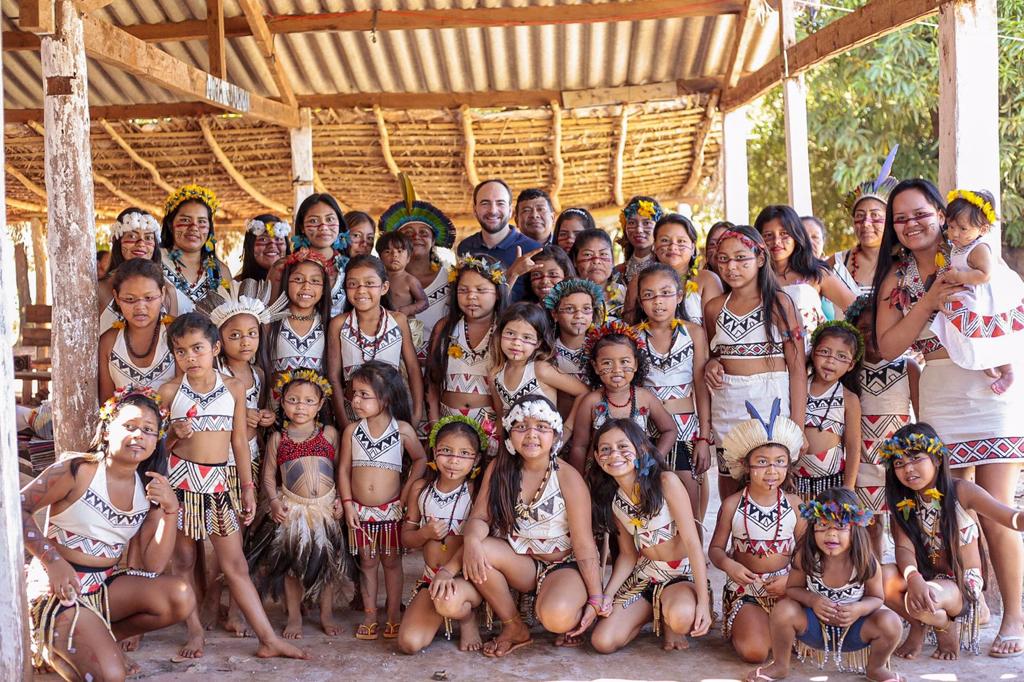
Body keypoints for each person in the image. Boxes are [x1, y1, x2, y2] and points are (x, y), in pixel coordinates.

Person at [871, 178, 1024, 657]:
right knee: (944, 514)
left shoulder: (973, 255)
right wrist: (929, 301)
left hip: (989, 390)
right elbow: (889, 346)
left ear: (941, 213)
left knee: (993, 506)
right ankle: (952, 614)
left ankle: (1012, 616)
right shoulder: (897, 280)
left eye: (921, 213)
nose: (911, 224)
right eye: (901, 218)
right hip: (939, 392)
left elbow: (1005, 306)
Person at [158, 313, 305, 660]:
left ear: (215, 348)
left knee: (234, 564)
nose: (190, 358)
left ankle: (267, 638)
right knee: (182, 561)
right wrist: (171, 435)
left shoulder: (234, 387)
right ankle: (194, 629)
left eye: (197, 349)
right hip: (180, 485)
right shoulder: (168, 392)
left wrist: (247, 488)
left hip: (220, 485)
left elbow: (239, 443)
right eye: (180, 352)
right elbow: (155, 449)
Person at [21, 387, 194, 680]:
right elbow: (16, 508)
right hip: (57, 589)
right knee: (111, 676)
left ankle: (100, 639)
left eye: (149, 430)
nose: (139, 435)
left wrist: (170, 510)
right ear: (106, 431)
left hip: (100, 589)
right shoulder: (77, 470)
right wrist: (52, 561)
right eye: (129, 426)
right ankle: (49, 640)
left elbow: (152, 566)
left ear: (156, 441)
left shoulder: (148, 488)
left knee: (180, 597)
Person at [455, 395, 603, 656]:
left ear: (555, 436)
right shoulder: (500, 470)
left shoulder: (567, 477)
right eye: (521, 427)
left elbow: (583, 542)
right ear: (510, 436)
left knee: (556, 618)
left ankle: (566, 600)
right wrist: (471, 540)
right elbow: (479, 518)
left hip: (562, 565)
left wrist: (595, 598)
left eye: (542, 427)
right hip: (522, 564)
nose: (531, 435)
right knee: (481, 548)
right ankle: (514, 625)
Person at [879, 423, 1024, 660]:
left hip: (960, 585)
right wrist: (912, 577)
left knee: (928, 599)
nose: (908, 468)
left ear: (937, 459)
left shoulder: (961, 491)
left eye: (916, 459)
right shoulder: (904, 504)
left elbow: (1010, 518)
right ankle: (920, 626)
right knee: (880, 576)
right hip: (924, 579)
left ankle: (944, 627)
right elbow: (904, 549)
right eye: (899, 463)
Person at [745, 488, 901, 681]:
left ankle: (876, 668)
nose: (831, 534)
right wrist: (813, 600)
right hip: (814, 628)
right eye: (823, 525)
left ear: (855, 529)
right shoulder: (807, 556)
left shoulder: (866, 561)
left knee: (891, 622)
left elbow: (877, 598)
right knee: (784, 609)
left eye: (840, 527)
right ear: (812, 527)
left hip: (855, 630)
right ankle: (780, 665)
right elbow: (792, 589)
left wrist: (859, 609)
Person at [588, 419, 712, 653]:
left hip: (680, 574)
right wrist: (607, 595)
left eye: (623, 447)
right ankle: (651, 611)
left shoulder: (666, 482)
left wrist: (703, 604)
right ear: (596, 457)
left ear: (641, 449)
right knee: (602, 642)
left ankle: (671, 613)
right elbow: (627, 555)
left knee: (681, 617)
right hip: (646, 576)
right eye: (605, 449)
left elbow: (693, 544)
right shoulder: (614, 499)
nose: (614, 454)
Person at [703, 226, 807, 502]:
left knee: (772, 481)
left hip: (769, 402)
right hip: (728, 405)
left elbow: (797, 368)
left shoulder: (780, 303)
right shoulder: (714, 308)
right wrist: (711, 365)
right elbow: (714, 355)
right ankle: (736, 542)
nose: (731, 267)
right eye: (723, 259)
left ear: (760, 259)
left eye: (740, 258)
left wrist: (798, 425)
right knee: (731, 484)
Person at [247, 370, 348, 639]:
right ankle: (294, 617)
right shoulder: (279, 438)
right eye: (293, 400)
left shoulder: (329, 434)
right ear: (282, 402)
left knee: (326, 564)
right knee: (291, 567)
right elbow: (268, 476)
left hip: (324, 508)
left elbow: (340, 470)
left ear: (321, 404)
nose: (300, 406)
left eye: (307, 401)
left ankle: (326, 614)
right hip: (293, 509)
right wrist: (274, 501)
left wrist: (340, 499)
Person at [710, 400, 806, 664]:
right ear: (746, 465)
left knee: (808, 642)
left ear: (788, 465)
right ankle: (749, 624)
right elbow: (715, 550)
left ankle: (774, 625)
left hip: (786, 588)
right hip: (747, 590)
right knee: (756, 652)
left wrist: (792, 580)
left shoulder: (794, 505)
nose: (772, 470)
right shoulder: (732, 505)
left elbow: (805, 552)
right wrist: (730, 566)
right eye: (762, 462)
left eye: (779, 462)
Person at [339, 362, 427, 641]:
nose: (355, 401)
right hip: (360, 512)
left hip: (391, 510)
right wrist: (348, 503)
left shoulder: (402, 431)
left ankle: (393, 616)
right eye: (354, 394)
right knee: (366, 563)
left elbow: (421, 460)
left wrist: (407, 492)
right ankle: (369, 615)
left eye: (364, 395)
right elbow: (343, 470)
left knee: (391, 563)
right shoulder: (352, 431)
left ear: (386, 397)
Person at [397, 416, 487, 654]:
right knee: (409, 643)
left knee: (448, 602)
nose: (454, 461)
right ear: (434, 451)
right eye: (446, 451)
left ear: (476, 459)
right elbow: (406, 537)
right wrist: (424, 533)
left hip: (465, 578)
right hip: (431, 578)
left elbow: (485, 541)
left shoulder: (475, 491)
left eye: (464, 454)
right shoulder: (421, 489)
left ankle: (467, 618)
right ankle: (443, 607)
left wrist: (450, 571)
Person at [634, 263, 714, 523]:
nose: (658, 302)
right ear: (640, 300)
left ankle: (693, 558)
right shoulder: (633, 337)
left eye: (666, 293)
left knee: (689, 497)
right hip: (645, 426)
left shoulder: (693, 333)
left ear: (679, 296)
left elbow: (701, 386)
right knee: (649, 494)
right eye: (649, 295)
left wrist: (703, 437)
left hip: (685, 427)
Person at [846, 294, 919, 557]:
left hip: (898, 464)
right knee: (870, 529)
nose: (872, 335)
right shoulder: (850, 371)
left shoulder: (907, 367)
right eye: (863, 328)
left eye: (878, 327)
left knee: (904, 525)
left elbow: (920, 420)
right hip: (863, 465)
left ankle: (906, 577)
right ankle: (874, 584)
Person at [931, 188, 1024, 394]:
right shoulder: (960, 244)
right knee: (970, 332)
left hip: (987, 298)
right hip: (972, 293)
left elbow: (985, 275)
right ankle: (985, 359)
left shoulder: (979, 248)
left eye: (963, 229)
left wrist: (959, 277)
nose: (954, 233)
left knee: (992, 335)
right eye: (952, 226)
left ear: (982, 230)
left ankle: (1007, 371)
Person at [327, 255, 423, 428]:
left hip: (394, 412)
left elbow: (413, 369)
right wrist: (343, 420)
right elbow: (334, 377)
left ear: (384, 287)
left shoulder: (398, 320)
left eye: (369, 283)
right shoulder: (339, 324)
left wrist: (416, 413)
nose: (361, 290)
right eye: (353, 284)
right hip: (352, 413)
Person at [426, 256, 509, 456]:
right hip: (448, 423)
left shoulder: (506, 331)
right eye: (463, 290)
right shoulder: (445, 328)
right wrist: (435, 424)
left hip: (492, 424)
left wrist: (500, 428)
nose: (471, 297)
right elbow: (432, 382)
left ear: (497, 293)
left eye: (481, 290)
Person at [568, 322, 676, 472]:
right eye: (607, 363)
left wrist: (653, 459)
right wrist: (580, 481)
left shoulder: (645, 398)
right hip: (600, 476)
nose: (617, 370)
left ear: (636, 364)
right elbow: (580, 446)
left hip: (639, 473)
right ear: (595, 367)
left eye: (624, 361)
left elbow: (670, 430)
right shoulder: (591, 402)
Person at [377, 175, 459, 370]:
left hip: (440, 368)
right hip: (394, 364)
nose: (416, 237)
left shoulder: (451, 278)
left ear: (433, 240)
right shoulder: (381, 281)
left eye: (424, 233)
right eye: (408, 233)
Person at [756, 205, 856, 340]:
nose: (776, 241)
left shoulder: (815, 273)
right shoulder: (754, 277)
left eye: (784, 234)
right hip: (765, 358)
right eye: (768, 235)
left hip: (810, 356)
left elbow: (856, 309)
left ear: (796, 235)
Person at [489, 302, 588, 436]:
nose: (516, 342)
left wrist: (567, 428)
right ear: (500, 334)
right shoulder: (495, 375)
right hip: (513, 448)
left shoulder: (540, 370)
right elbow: (501, 417)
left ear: (538, 343)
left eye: (526, 337)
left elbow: (583, 391)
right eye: (510, 333)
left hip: (543, 447)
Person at [794, 321, 863, 499]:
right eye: (824, 352)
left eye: (841, 356)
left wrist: (848, 487)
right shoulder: (797, 388)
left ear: (851, 365)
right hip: (794, 481)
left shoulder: (849, 399)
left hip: (831, 484)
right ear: (813, 352)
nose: (831, 360)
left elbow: (853, 446)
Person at [97, 258, 176, 402]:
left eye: (149, 298)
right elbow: (106, 402)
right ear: (116, 297)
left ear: (163, 294)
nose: (140, 307)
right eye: (130, 299)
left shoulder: (177, 333)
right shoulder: (108, 343)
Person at [624, 213, 723, 324]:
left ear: (692, 247)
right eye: (665, 241)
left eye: (681, 241)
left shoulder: (708, 280)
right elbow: (629, 330)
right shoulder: (638, 282)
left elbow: (714, 332)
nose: (673, 247)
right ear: (654, 246)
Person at [457, 179, 541, 301]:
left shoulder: (532, 249)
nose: (492, 210)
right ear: (475, 210)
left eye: (500, 203)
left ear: (510, 210)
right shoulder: (465, 247)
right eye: (485, 203)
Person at [830, 148, 899, 296]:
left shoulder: (906, 261)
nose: (866, 223)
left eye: (875, 215)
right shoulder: (836, 263)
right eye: (860, 216)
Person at [98, 208, 178, 332]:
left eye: (148, 237)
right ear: (117, 242)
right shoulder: (100, 290)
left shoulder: (168, 292)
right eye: (132, 236)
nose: (141, 243)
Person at [159, 184, 232, 313]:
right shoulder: (154, 261)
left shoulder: (220, 271)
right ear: (171, 224)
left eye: (202, 221)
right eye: (185, 220)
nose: (194, 227)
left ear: (209, 228)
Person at [265, 249, 333, 380]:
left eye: (315, 281)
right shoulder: (269, 323)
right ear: (286, 282)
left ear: (324, 289)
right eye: (298, 279)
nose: (306, 286)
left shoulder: (329, 325)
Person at [543, 278, 605, 417]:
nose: (579, 315)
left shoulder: (602, 349)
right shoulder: (546, 351)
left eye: (586, 309)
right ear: (555, 314)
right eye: (570, 309)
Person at [287, 193, 350, 316]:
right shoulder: (285, 266)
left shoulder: (349, 267)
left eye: (330, 219)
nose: (323, 227)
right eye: (313, 221)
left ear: (339, 222)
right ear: (302, 227)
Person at [570, 228, 626, 319]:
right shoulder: (567, 296)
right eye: (588, 254)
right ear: (574, 261)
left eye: (603, 254)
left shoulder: (625, 294)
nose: (596, 261)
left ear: (612, 260)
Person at [376, 231, 428, 316]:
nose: (394, 255)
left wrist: (408, 309)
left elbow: (424, 302)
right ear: (380, 258)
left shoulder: (410, 280)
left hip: (404, 322)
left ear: (408, 258)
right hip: (382, 323)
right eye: (388, 251)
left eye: (399, 251)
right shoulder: (377, 279)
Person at [614, 196, 663, 285]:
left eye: (647, 223)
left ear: (659, 227)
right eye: (632, 223)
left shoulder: (667, 270)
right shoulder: (616, 272)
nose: (639, 230)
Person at [235, 215, 290, 282]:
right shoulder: (236, 286)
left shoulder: (297, 282)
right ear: (250, 246)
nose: (272, 245)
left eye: (278, 239)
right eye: (263, 239)